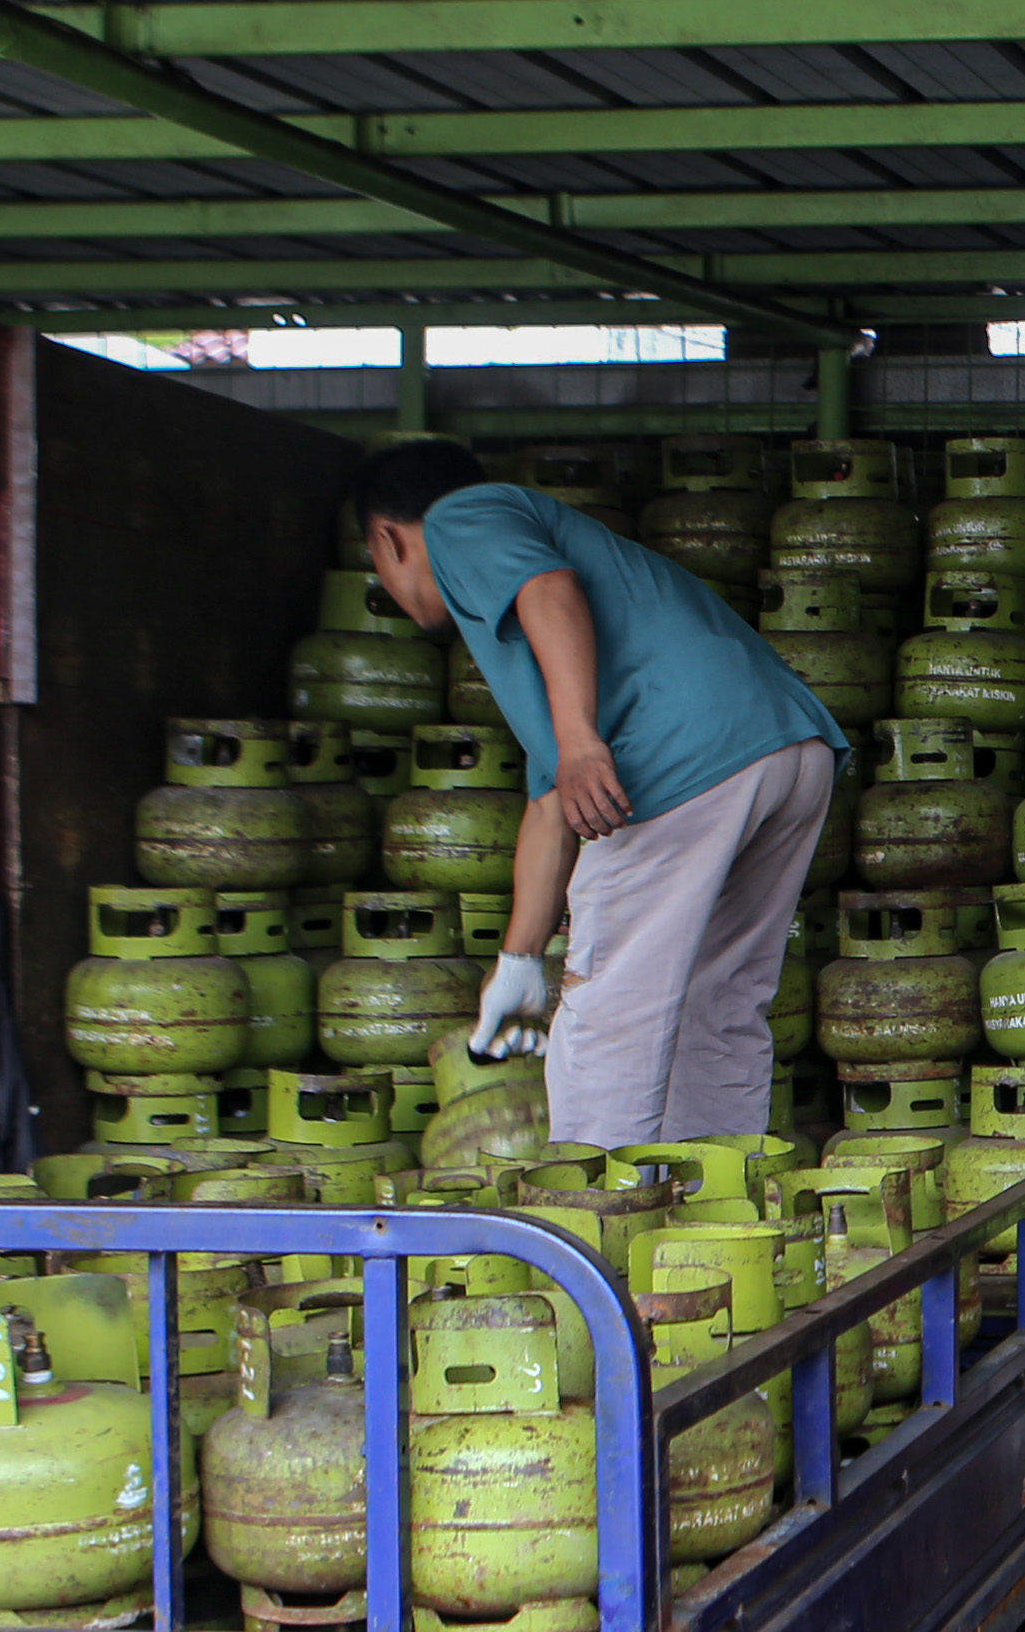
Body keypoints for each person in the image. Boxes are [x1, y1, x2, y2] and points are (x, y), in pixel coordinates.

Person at [351, 439, 849, 1149]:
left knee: (609, 1013)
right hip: (788, 750)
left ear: (387, 539)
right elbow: (551, 807)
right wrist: (519, 963)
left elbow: (549, 587)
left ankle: (591, 1235)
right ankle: (717, 1217)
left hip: (685, 759)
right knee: (719, 1003)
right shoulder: (546, 655)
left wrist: (583, 741)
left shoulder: (461, 519)